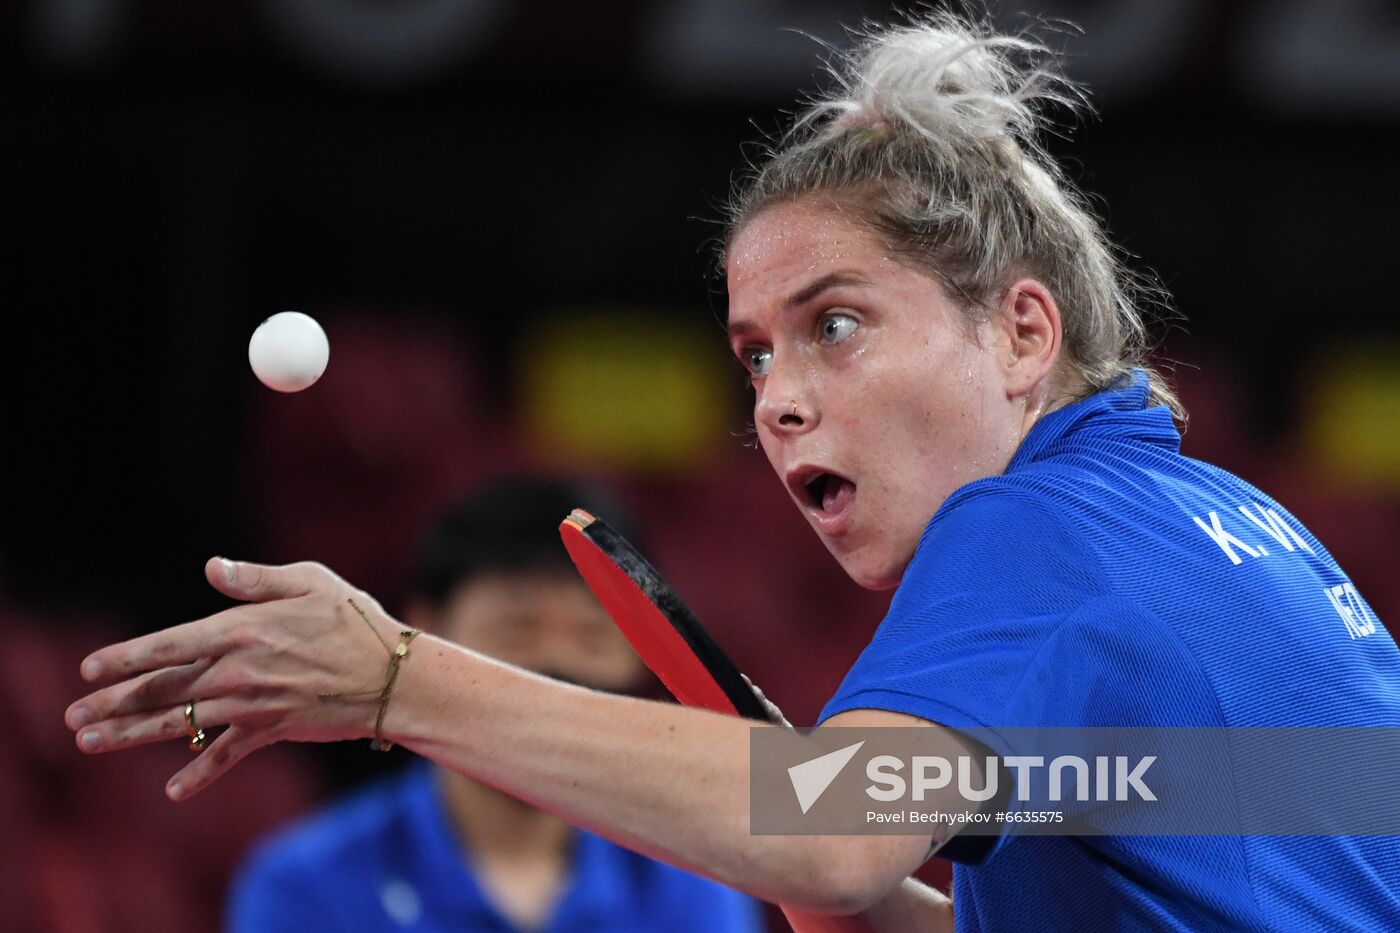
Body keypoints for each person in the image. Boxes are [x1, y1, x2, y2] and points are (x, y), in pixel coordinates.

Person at [67, 12, 1399, 932]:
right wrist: (839, 883)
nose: (777, 399)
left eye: (836, 325)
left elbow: (827, 832)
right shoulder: (1236, 526)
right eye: (755, 355)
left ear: (1019, 333)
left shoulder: (1036, 531)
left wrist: (399, 681)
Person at [226, 476, 762, 932]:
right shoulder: (306, 884)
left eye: (592, 637)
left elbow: (807, 803)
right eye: (516, 629)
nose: (555, 663)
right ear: (422, 631)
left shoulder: (696, 885)